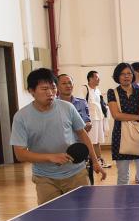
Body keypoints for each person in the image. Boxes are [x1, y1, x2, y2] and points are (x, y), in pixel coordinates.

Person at [12, 68, 104, 204]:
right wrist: (50, 157)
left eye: (53, 88)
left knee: (83, 213)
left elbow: (83, 134)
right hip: (45, 177)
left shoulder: (68, 107)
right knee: (52, 215)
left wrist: (95, 162)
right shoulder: (21, 117)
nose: (50, 93)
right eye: (44, 89)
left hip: (76, 173)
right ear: (31, 91)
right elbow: (20, 154)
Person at [107, 62, 139, 185]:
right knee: (123, 177)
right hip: (120, 136)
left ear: (133, 75)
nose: (126, 76)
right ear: (117, 76)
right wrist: (137, 117)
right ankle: (122, 199)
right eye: (122, 74)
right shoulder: (112, 92)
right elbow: (116, 115)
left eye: (129, 73)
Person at [57, 73, 94, 184]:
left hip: (80, 147)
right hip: (61, 149)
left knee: (85, 183)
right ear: (57, 86)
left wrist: (87, 124)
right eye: (64, 83)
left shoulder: (82, 102)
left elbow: (87, 121)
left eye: (70, 83)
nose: (68, 85)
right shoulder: (53, 104)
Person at [84, 70, 109, 167]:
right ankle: (89, 161)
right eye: (96, 77)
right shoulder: (85, 88)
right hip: (90, 120)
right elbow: (81, 104)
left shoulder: (97, 90)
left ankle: (99, 160)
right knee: (91, 141)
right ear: (90, 78)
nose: (99, 79)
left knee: (97, 141)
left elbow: (100, 104)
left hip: (99, 118)